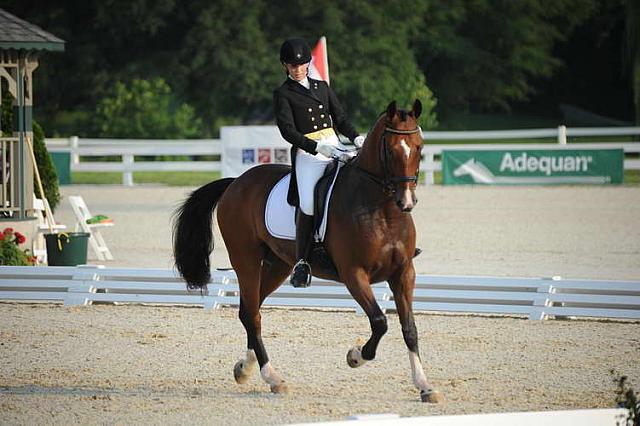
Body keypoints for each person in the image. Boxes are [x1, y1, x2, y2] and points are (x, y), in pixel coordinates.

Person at [273, 37, 364, 288]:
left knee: (363, 179)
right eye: (292, 65)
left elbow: (341, 117)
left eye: (301, 65)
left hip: (335, 144)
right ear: (285, 66)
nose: (297, 69)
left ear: (308, 64)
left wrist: (356, 137)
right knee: (309, 203)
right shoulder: (283, 93)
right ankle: (302, 262)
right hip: (308, 154)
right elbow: (287, 131)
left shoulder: (321, 87)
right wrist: (314, 146)